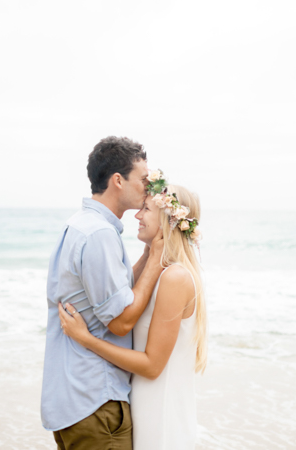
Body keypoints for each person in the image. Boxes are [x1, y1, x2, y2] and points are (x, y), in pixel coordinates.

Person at [60, 173, 207, 450]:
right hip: (142, 407)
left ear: (168, 220)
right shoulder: (158, 272)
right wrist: (150, 252)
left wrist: (87, 339)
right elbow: (126, 300)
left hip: (161, 416)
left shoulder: (175, 278)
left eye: (146, 209)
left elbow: (152, 366)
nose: (137, 216)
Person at [41, 137, 165, 450]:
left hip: (75, 396)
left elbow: (116, 292)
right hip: (96, 401)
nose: (148, 187)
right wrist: (157, 257)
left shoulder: (81, 225)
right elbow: (121, 322)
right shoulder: (98, 235)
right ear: (118, 181)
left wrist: (151, 250)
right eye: (143, 179)